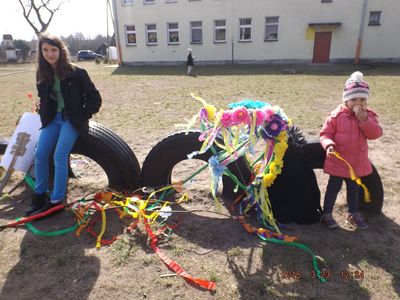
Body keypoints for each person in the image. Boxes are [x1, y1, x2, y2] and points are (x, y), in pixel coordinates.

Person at [25, 33, 102, 216]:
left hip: (71, 120)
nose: (50, 54)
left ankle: (57, 199)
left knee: (60, 155)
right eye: (45, 50)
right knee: (40, 154)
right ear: (40, 52)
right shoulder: (42, 73)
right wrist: (43, 110)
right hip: (53, 120)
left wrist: (80, 116)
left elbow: (94, 99)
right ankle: (40, 193)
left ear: (61, 51)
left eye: (53, 50)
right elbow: (44, 98)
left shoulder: (77, 73)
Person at [319, 71, 382, 229]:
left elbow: (375, 134)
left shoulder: (369, 116)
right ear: (346, 100)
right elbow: (325, 134)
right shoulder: (336, 116)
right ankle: (327, 213)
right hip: (339, 161)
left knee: (354, 189)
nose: (357, 103)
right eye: (353, 99)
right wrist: (329, 145)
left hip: (356, 162)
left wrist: (365, 120)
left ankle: (352, 213)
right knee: (333, 188)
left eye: (362, 99)